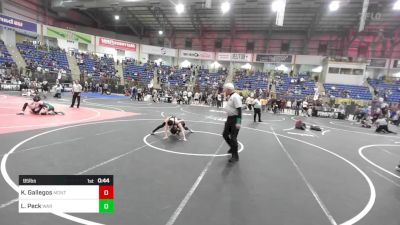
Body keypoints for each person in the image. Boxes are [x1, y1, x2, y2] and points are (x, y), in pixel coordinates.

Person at [222, 83, 242, 163]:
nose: (224, 91)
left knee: (233, 138)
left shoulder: (235, 97)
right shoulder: (231, 96)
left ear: (229, 89)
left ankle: (235, 156)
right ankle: (232, 147)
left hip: (234, 119)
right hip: (229, 119)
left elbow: (239, 110)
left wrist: (238, 122)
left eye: (225, 89)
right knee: (225, 134)